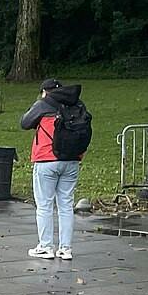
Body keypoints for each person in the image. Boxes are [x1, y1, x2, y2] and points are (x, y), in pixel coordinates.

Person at [20, 78, 88, 260]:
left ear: (44, 91)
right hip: (72, 160)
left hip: (46, 160)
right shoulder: (76, 104)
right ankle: (66, 249)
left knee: (44, 206)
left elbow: (25, 123)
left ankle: (46, 246)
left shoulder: (43, 104)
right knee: (66, 206)